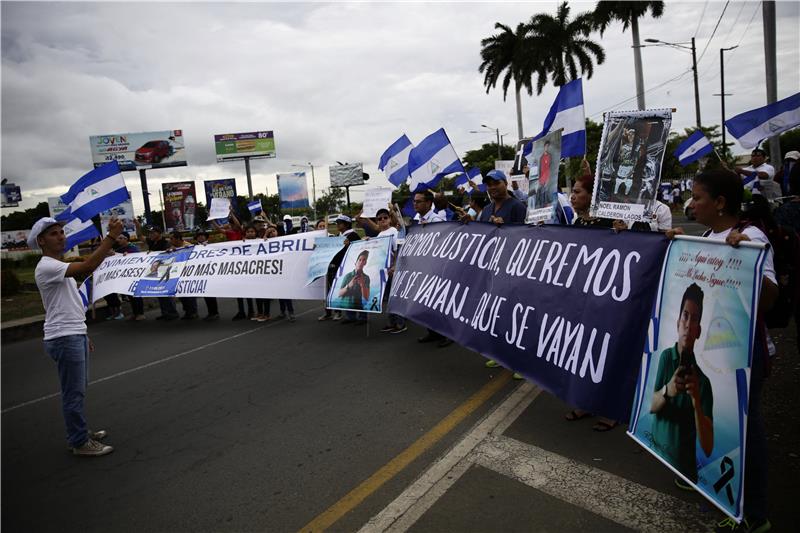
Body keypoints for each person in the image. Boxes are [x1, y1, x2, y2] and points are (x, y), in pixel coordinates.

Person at [671, 169, 777, 533]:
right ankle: (712, 483)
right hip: (711, 353)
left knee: (745, 432)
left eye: (697, 198)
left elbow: (768, 298)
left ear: (719, 203)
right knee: (709, 418)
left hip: (744, 354)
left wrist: (745, 262)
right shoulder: (707, 235)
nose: (690, 204)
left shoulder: (751, 237)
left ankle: (755, 514)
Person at [30, 216, 124, 456]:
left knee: (78, 390)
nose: (61, 236)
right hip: (63, 337)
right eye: (53, 234)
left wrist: (82, 333)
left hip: (72, 334)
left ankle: (80, 431)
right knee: (73, 393)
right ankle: (79, 442)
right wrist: (111, 237)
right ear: (41, 241)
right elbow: (87, 267)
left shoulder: (59, 266)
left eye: (62, 232)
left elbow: (69, 304)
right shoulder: (47, 266)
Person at [649, 283, 714, 484]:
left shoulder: (702, 382)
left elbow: (708, 446)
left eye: (694, 319)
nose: (688, 324)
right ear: (678, 322)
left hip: (684, 471)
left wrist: (696, 403)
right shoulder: (666, 358)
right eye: (685, 316)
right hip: (655, 453)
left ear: (699, 331)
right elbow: (650, 406)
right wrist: (668, 390)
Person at [412, 191, 452, 346]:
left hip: (436, 267)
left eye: (419, 201)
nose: (415, 204)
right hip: (423, 266)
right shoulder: (417, 220)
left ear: (429, 203)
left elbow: (443, 243)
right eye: (414, 201)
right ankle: (432, 331)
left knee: (439, 303)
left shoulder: (436, 220)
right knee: (426, 302)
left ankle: (447, 334)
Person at [319, 215, 361, 321]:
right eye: (337, 223)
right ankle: (349, 316)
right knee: (343, 291)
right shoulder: (338, 236)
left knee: (354, 292)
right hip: (338, 268)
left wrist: (349, 245)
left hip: (350, 268)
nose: (337, 225)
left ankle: (361, 317)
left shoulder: (353, 235)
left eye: (339, 223)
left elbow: (359, 248)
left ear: (346, 224)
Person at [135, 222, 179, 320]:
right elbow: (139, 236)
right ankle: (165, 313)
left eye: (153, 233)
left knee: (166, 293)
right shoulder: (152, 242)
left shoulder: (165, 243)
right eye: (150, 233)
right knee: (159, 293)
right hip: (156, 271)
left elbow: (173, 251)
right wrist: (138, 226)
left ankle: (172, 313)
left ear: (159, 234)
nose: (150, 235)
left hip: (165, 271)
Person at [113, 231, 146, 321]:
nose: (118, 240)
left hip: (133, 275)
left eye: (120, 238)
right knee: (130, 295)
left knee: (136, 295)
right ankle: (135, 313)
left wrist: (129, 256)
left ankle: (141, 313)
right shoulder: (118, 249)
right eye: (117, 238)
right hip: (125, 276)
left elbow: (138, 258)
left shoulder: (133, 248)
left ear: (126, 239)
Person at [167, 231, 199, 320]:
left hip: (187, 273)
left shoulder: (188, 246)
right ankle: (188, 311)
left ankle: (193, 312)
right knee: (181, 294)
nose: (170, 241)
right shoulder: (173, 247)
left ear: (178, 239)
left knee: (188, 294)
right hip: (178, 273)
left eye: (172, 238)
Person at [193, 229, 219, 321]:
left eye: (202, 235)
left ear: (206, 237)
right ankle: (211, 312)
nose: (201, 237)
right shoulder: (194, 247)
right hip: (200, 273)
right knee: (206, 294)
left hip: (210, 272)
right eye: (199, 235)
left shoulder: (212, 245)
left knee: (211, 294)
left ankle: (214, 312)